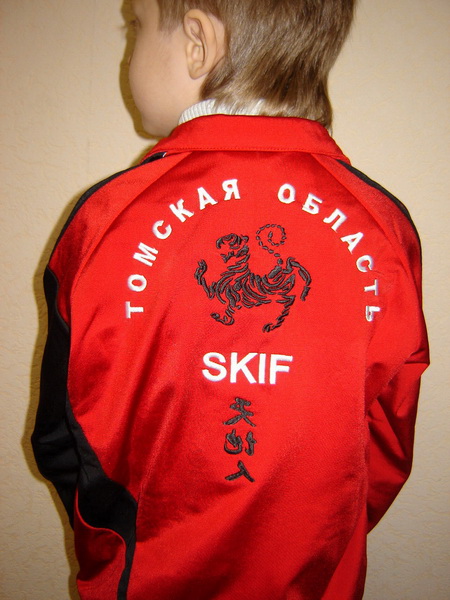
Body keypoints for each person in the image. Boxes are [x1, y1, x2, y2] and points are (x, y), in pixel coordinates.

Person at [31, 1, 429, 599]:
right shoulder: (382, 226)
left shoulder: (107, 219)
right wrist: (318, 536)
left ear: (197, 41)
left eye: (136, 27)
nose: (128, 51)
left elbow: (63, 438)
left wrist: (119, 539)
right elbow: (388, 443)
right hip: (316, 582)